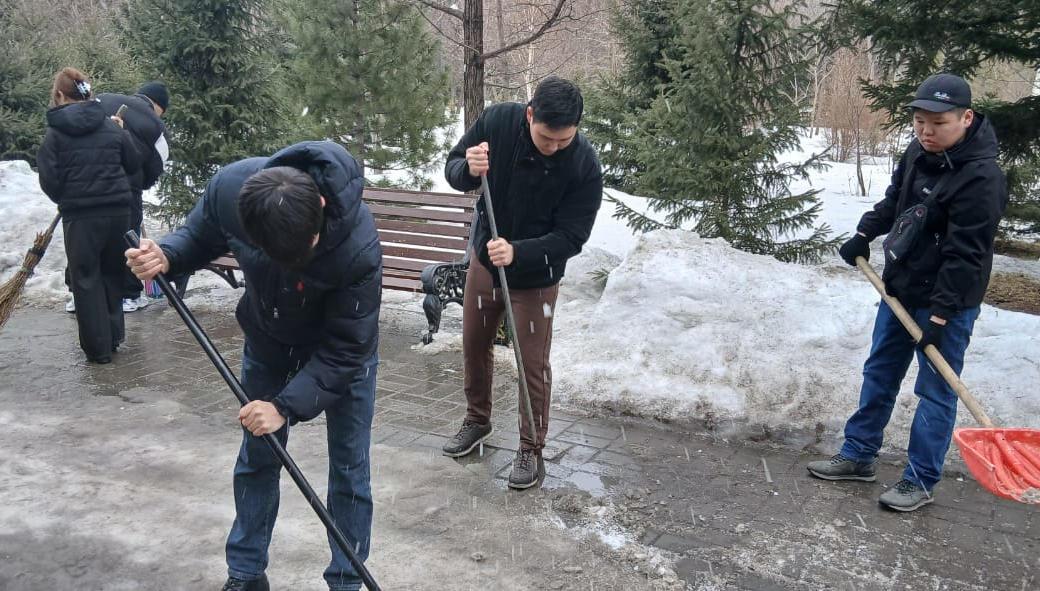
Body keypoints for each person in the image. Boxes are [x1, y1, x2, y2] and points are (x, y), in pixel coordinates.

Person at [125, 141, 381, 591]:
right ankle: (245, 573)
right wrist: (166, 254)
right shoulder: (232, 189)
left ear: (320, 207)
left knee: (349, 466)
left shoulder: (357, 247)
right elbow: (198, 236)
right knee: (257, 458)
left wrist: (285, 406)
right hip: (269, 340)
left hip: (341, 354)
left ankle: (346, 581)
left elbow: (346, 350)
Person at [807, 73, 1008, 511]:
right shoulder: (919, 152)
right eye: (919, 121)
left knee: (935, 390)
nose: (926, 131)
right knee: (880, 371)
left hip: (948, 302)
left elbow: (965, 256)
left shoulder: (982, 177)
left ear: (966, 118)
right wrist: (865, 233)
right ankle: (859, 455)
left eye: (938, 122)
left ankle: (920, 479)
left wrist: (939, 318)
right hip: (899, 289)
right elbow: (897, 202)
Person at [440, 76, 603, 490]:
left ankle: (531, 448)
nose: (554, 147)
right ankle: (477, 420)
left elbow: (572, 237)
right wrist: (468, 168)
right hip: (485, 263)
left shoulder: (584, 165)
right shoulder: (497, 122)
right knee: (475, 344)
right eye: (547, 137)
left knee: (532, 363)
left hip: (536, 277)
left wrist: (519, 252)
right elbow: (454, 167)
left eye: (564, 140)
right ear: (530, 114)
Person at [37, 67, 141, 364]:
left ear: (58, 95)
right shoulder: (110, 126)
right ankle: (114, 336)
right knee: (111, 272)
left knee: (85, 278)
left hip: (81, 217)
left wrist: (67, 199)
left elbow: (49, 179)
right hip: (119, 214)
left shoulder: (55, 134)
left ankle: (98, 349)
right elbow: (132, 163)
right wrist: (120, 131)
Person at [63, 81, 170, 314]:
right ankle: (129, 296)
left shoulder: (101, 99)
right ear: (158, 106)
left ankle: (77, 296)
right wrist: (141, 184)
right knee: (126, 241)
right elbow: (157, 164)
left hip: (83, 184)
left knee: (84, 241)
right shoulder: (156, 124)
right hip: (124, 191)